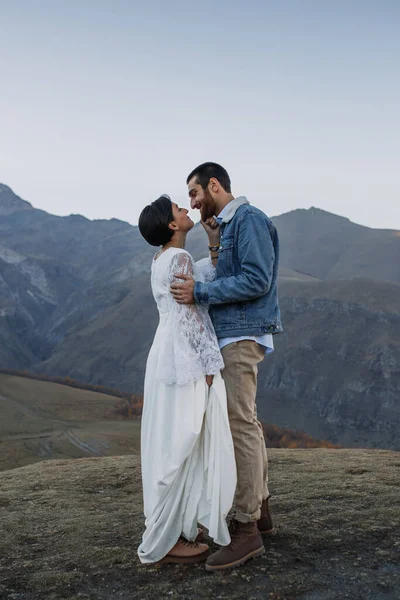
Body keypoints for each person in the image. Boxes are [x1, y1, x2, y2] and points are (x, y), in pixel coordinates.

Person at [171, 163, 283, 571]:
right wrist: (214, 241)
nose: (192, 203)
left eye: (194, 193)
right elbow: (231, 272)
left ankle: (246, 529)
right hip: (232, 334)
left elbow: (256, 280)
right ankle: (262, 513)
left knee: (239, 426)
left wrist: (199, 292)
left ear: (214, 185)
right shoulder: (227, 225)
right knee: (245, 422)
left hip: (241, 335)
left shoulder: (249, 219)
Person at [137, 194, 236, 565]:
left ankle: (169, 527)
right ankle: (170, 538)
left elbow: (199, 282)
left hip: (165, 354)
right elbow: (191, 316)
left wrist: (213, 242)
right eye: (179, 209)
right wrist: (211, 363)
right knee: (185, 436)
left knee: (171, 437)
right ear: (173, 225)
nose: (185, 208)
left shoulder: (162, 259)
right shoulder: (177, 258)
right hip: (184, 357)